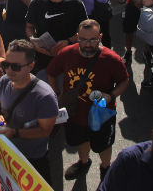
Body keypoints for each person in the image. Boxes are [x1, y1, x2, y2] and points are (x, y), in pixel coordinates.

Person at [46, 19, 129, 181]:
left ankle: (106, 168)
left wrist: (110, 96)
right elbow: (51, 72)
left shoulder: (111, 59)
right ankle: (83, 162)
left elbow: (124, 81)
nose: (88, 44)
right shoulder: (66, 53)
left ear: (101, 37)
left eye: (93, 40)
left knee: (104, 144)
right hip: (75, 112)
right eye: (83, 40)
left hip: (102, 114)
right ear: (77, 37)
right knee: (81, 140)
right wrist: (57, 93)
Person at [0, 39, 59, 183]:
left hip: (33, 158)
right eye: (6, 64)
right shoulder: (4, 81)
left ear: (31, 66)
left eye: (16, 67)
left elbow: (45, 131)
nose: (9, 70)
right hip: (6, 152)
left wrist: (15, 133)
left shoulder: (45, 96)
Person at [26, 0, 88, 76]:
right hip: (44, 59)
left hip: (70, 58)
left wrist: (68, 41)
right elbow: (29, 27)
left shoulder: (76, 4)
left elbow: (84, 31)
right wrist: (35, 43)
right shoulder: (36, 4)